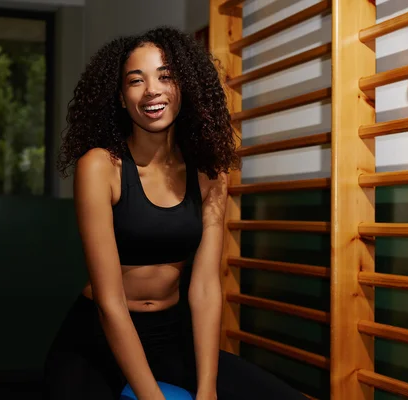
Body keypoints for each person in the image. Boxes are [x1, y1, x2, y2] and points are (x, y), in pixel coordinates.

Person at [44, 26, 308, 400]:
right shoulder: (100, 167)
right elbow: (110, 301)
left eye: (165, 76)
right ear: (121, 97)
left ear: (184, 87)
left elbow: (204, 287)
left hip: (171, 335)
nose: (152, 89)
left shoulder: (208, 173)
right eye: (136, 80)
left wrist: (207, 389)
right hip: (99, 338)